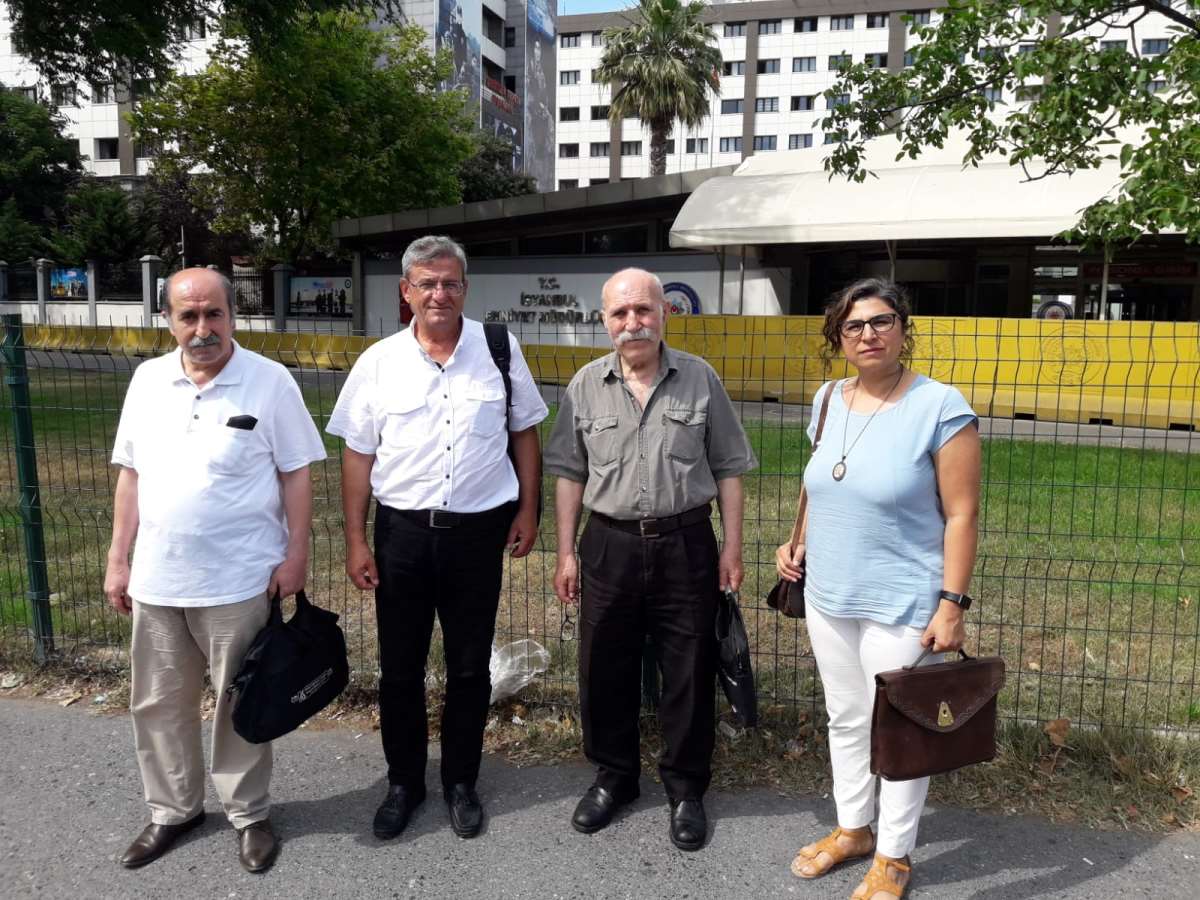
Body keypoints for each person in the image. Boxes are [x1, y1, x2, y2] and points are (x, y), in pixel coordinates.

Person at [104, 268, 326, 873]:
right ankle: (172, 810)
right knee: (157, 703)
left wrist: (296, 554)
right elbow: (131, 475)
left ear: (232, 315)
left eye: (214, 314)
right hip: (157, 579)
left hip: (239, 579)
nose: (202, 328)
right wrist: (118, 558)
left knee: (239, 705)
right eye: (189, 316)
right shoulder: (148, 381)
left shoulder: (269, 381)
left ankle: (249, 814)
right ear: (169, 320)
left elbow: (296, 473)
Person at [327, 235, 547, 841]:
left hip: (478, 535)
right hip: (401, 535)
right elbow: (357, 454)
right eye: (426, 283)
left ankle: (460, 781)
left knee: (469, 668)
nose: (439, 294)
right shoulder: (379, 362)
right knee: (400, 668)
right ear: (406, 291)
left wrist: (529, 509)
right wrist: (356, 539)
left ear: (465, 289)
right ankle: (404, 783)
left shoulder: (498, 348)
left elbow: (525, 432)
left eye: (450, 283)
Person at [774, 278, 981, 899]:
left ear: (902, 328)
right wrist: (796, 540)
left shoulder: (940, 406)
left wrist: (952, 604)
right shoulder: (828, 399)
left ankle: (893, 856)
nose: (868, 334)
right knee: (845, 716)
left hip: (905, 601)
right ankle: (854, 829)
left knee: (900, 731)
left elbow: (963, 514)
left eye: (881, 321)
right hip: (828, 594)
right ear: (838, 337)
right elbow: (820, 482)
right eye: (854, 325)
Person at [544, 268, 756, 851]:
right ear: (605, 321)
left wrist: (731, 547)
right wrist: (565, 553)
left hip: (685, 543)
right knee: (603, 665)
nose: (632, 322)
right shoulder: (585, 385)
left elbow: (729, 468)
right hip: (607, 544)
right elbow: (568, 473)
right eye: (620, 313)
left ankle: (686, 788)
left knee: (688, 668)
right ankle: (614, 777)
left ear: (664, 313)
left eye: (643, 310)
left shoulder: (700, 378)